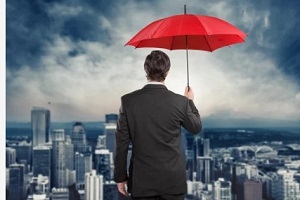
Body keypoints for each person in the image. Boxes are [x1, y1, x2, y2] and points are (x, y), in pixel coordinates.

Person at [114, 50, 202, 200]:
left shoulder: (128, 101)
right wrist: (190, 101)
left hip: (141, 182)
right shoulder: (180, 102)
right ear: (167, 72)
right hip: (172, 182)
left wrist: (120, 177)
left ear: (146, 70)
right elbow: (195, 127)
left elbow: (121, 143)